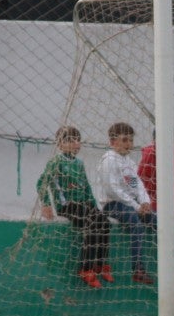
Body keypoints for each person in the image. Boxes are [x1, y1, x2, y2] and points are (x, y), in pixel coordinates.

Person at [36, 125, 112, 288]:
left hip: (83, 205)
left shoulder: (79, 163)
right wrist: (46, 204)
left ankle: (100, 263)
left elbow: (86, 187)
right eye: (70, 140)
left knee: (104, 222)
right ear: (60, 144)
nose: (75, 143)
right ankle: (85, 268)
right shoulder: (56, 161)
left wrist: (94, 207)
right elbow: (42, 182)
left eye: (77, 140)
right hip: (67, 206)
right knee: (91, 224)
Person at [97, 121, 156, 284]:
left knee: (157, 222)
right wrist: (137, 207)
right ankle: (138, 269)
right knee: (136, 223)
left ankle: (166, 268)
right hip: (112, 204)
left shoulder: (128, 162)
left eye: (131, 140)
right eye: (124, 140)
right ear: (113, 142)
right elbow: (112, 189)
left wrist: (145, 203)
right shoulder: (109, 160)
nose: (129, 144)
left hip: (131, 204)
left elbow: (138, 185)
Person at [137, 126, 174, 218]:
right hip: (152, 211)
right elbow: (143, 186)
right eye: (168, 140)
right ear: (156, 141)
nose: (173, 144)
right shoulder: (149, 156)